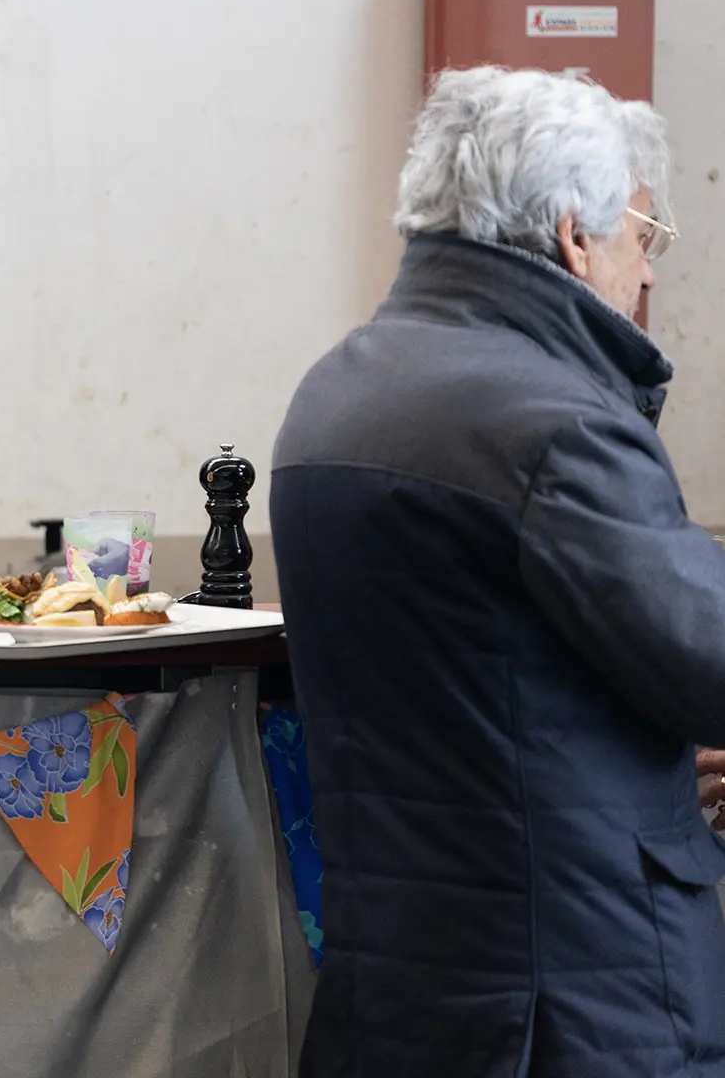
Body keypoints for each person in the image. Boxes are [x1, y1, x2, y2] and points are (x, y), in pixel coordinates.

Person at [270, 66, 725, 1076]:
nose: (648, 277)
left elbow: (490, 685)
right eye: (642, 237)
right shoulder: (553, 427)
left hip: (399, 997)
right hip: (575, 1001)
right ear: (574, 234)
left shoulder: (334, 394)